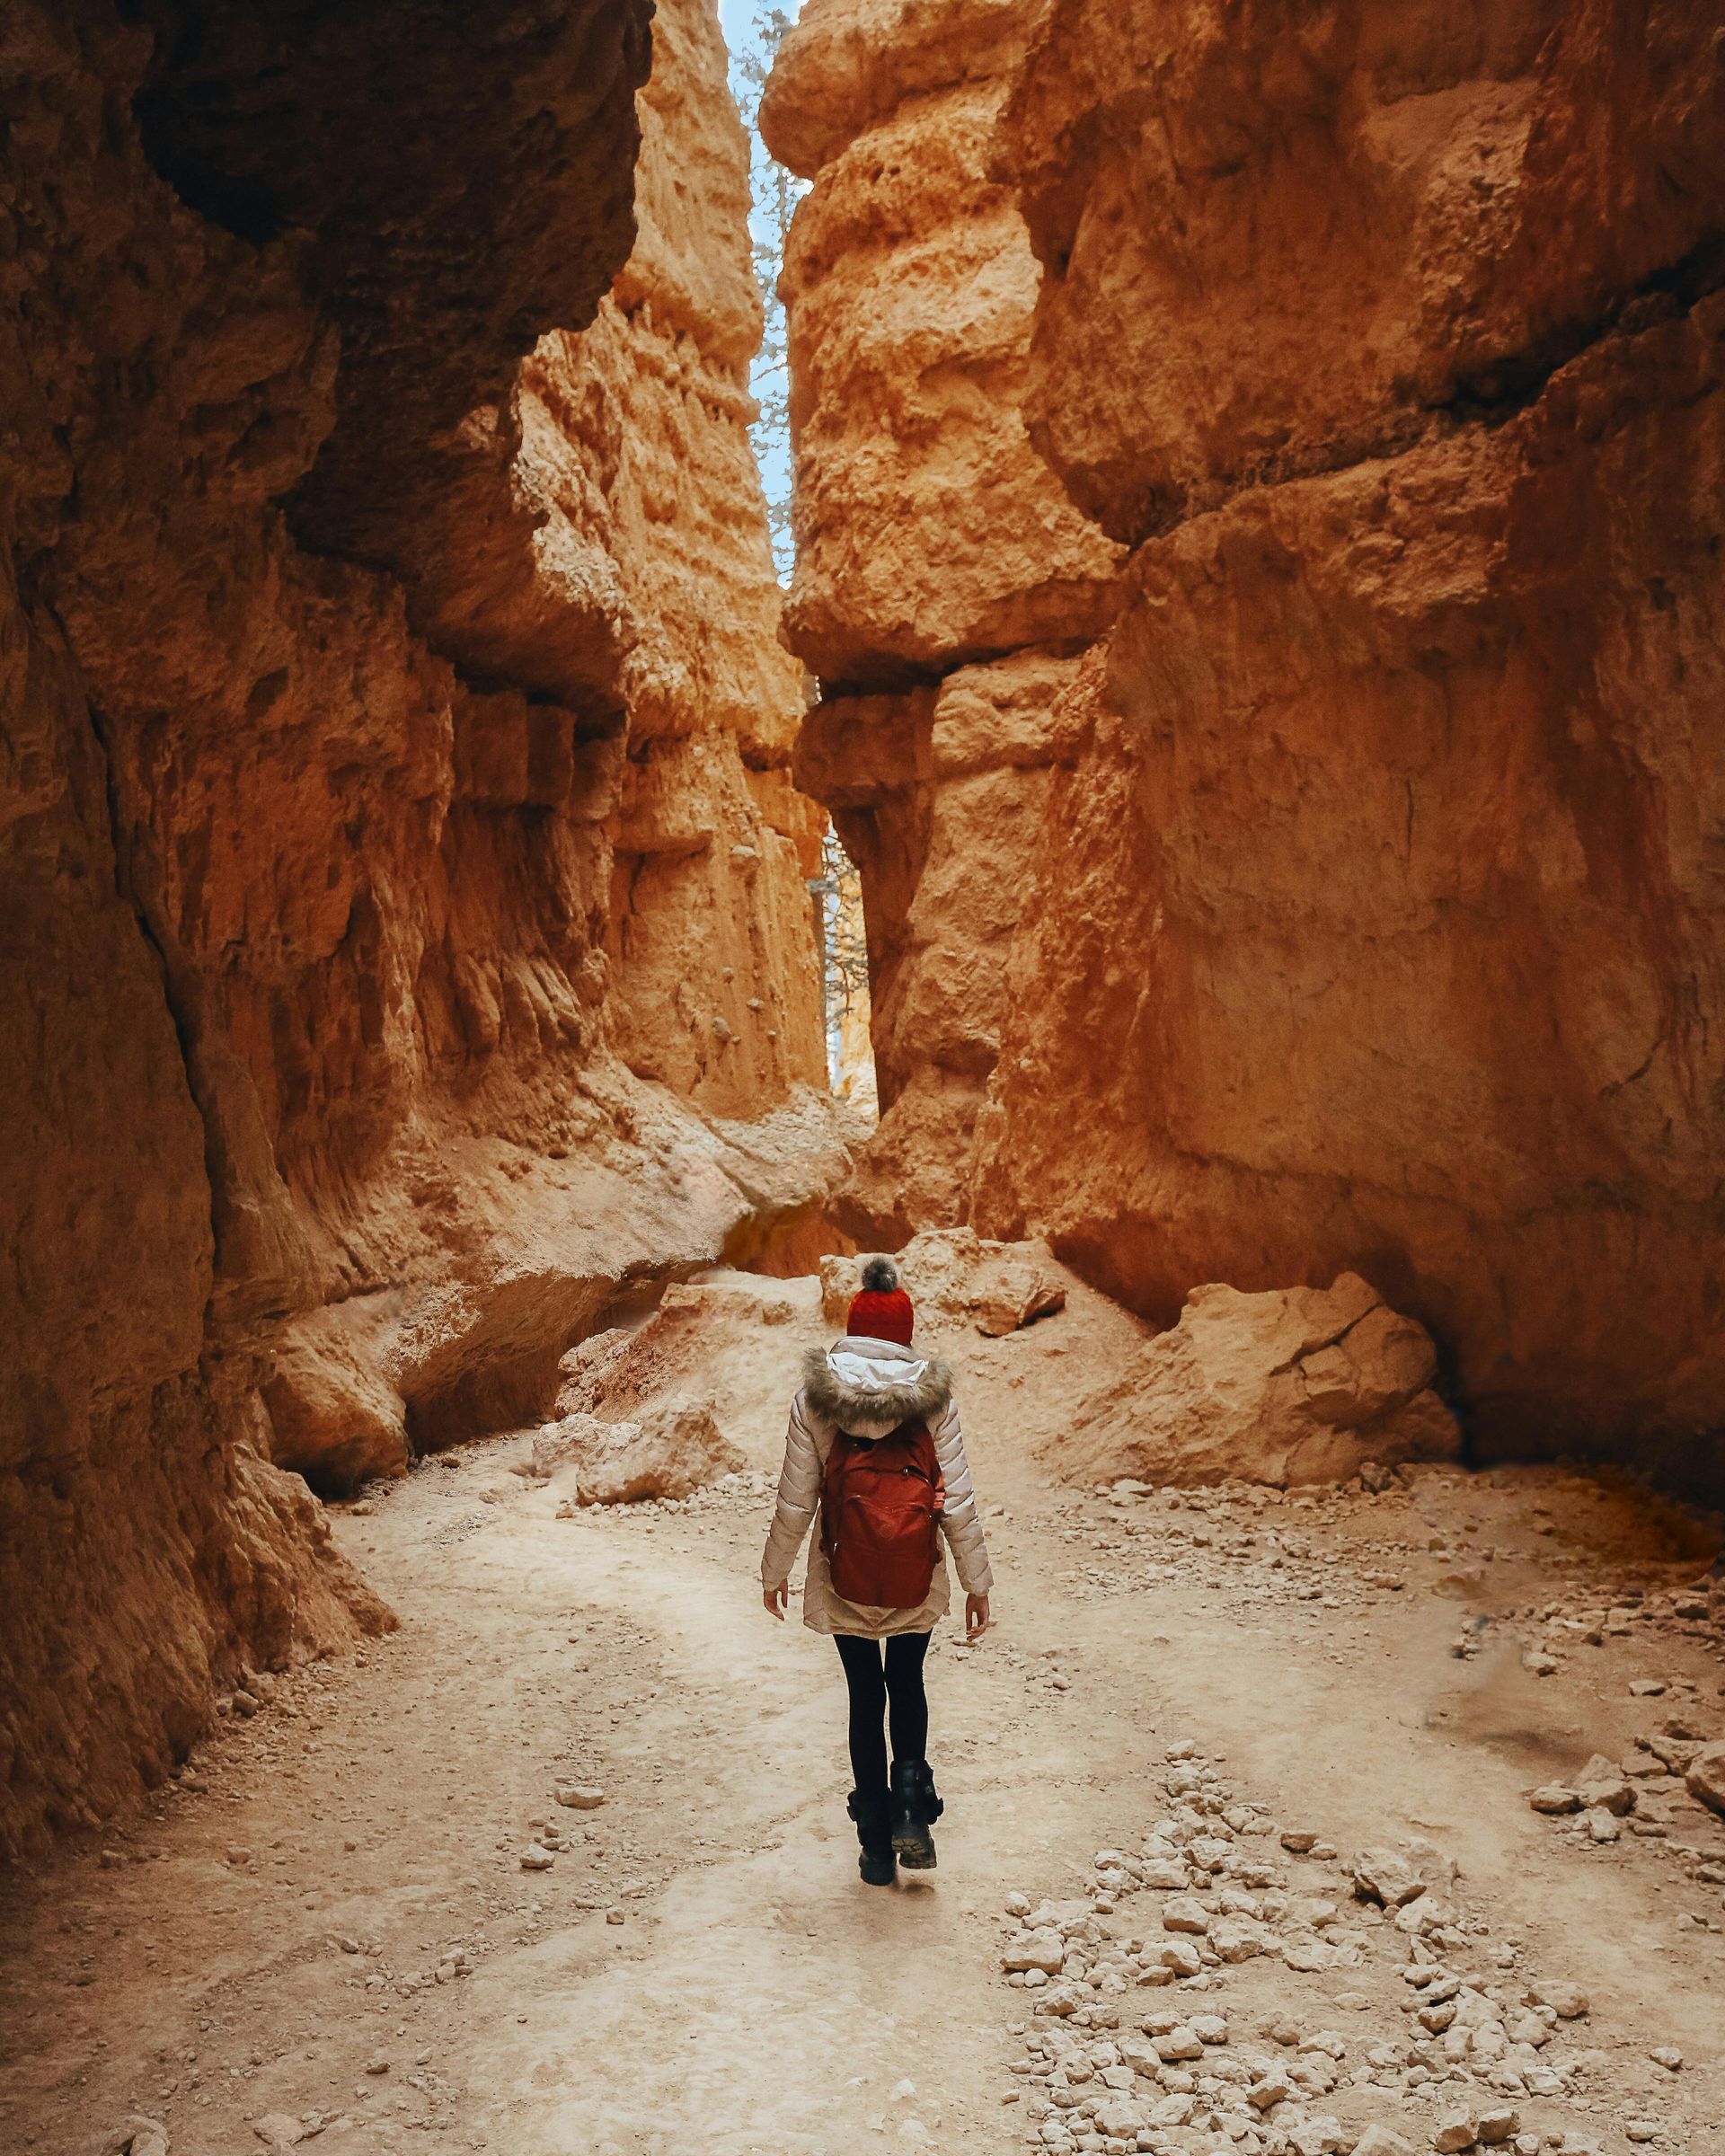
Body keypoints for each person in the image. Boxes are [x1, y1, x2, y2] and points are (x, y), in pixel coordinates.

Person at [761, 1256, 993, 1885]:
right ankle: (912, 1813)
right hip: (916, 1564)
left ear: (853, 1326)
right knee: (908, 1680)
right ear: (904, 1332)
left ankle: (872, 1846)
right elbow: (960, 1499)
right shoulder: (933, 1399)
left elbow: (796, 1496)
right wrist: (977, 1584)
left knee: (865, 1694)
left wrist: (774, 1570)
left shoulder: (815, 1397)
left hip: (845, 1568)